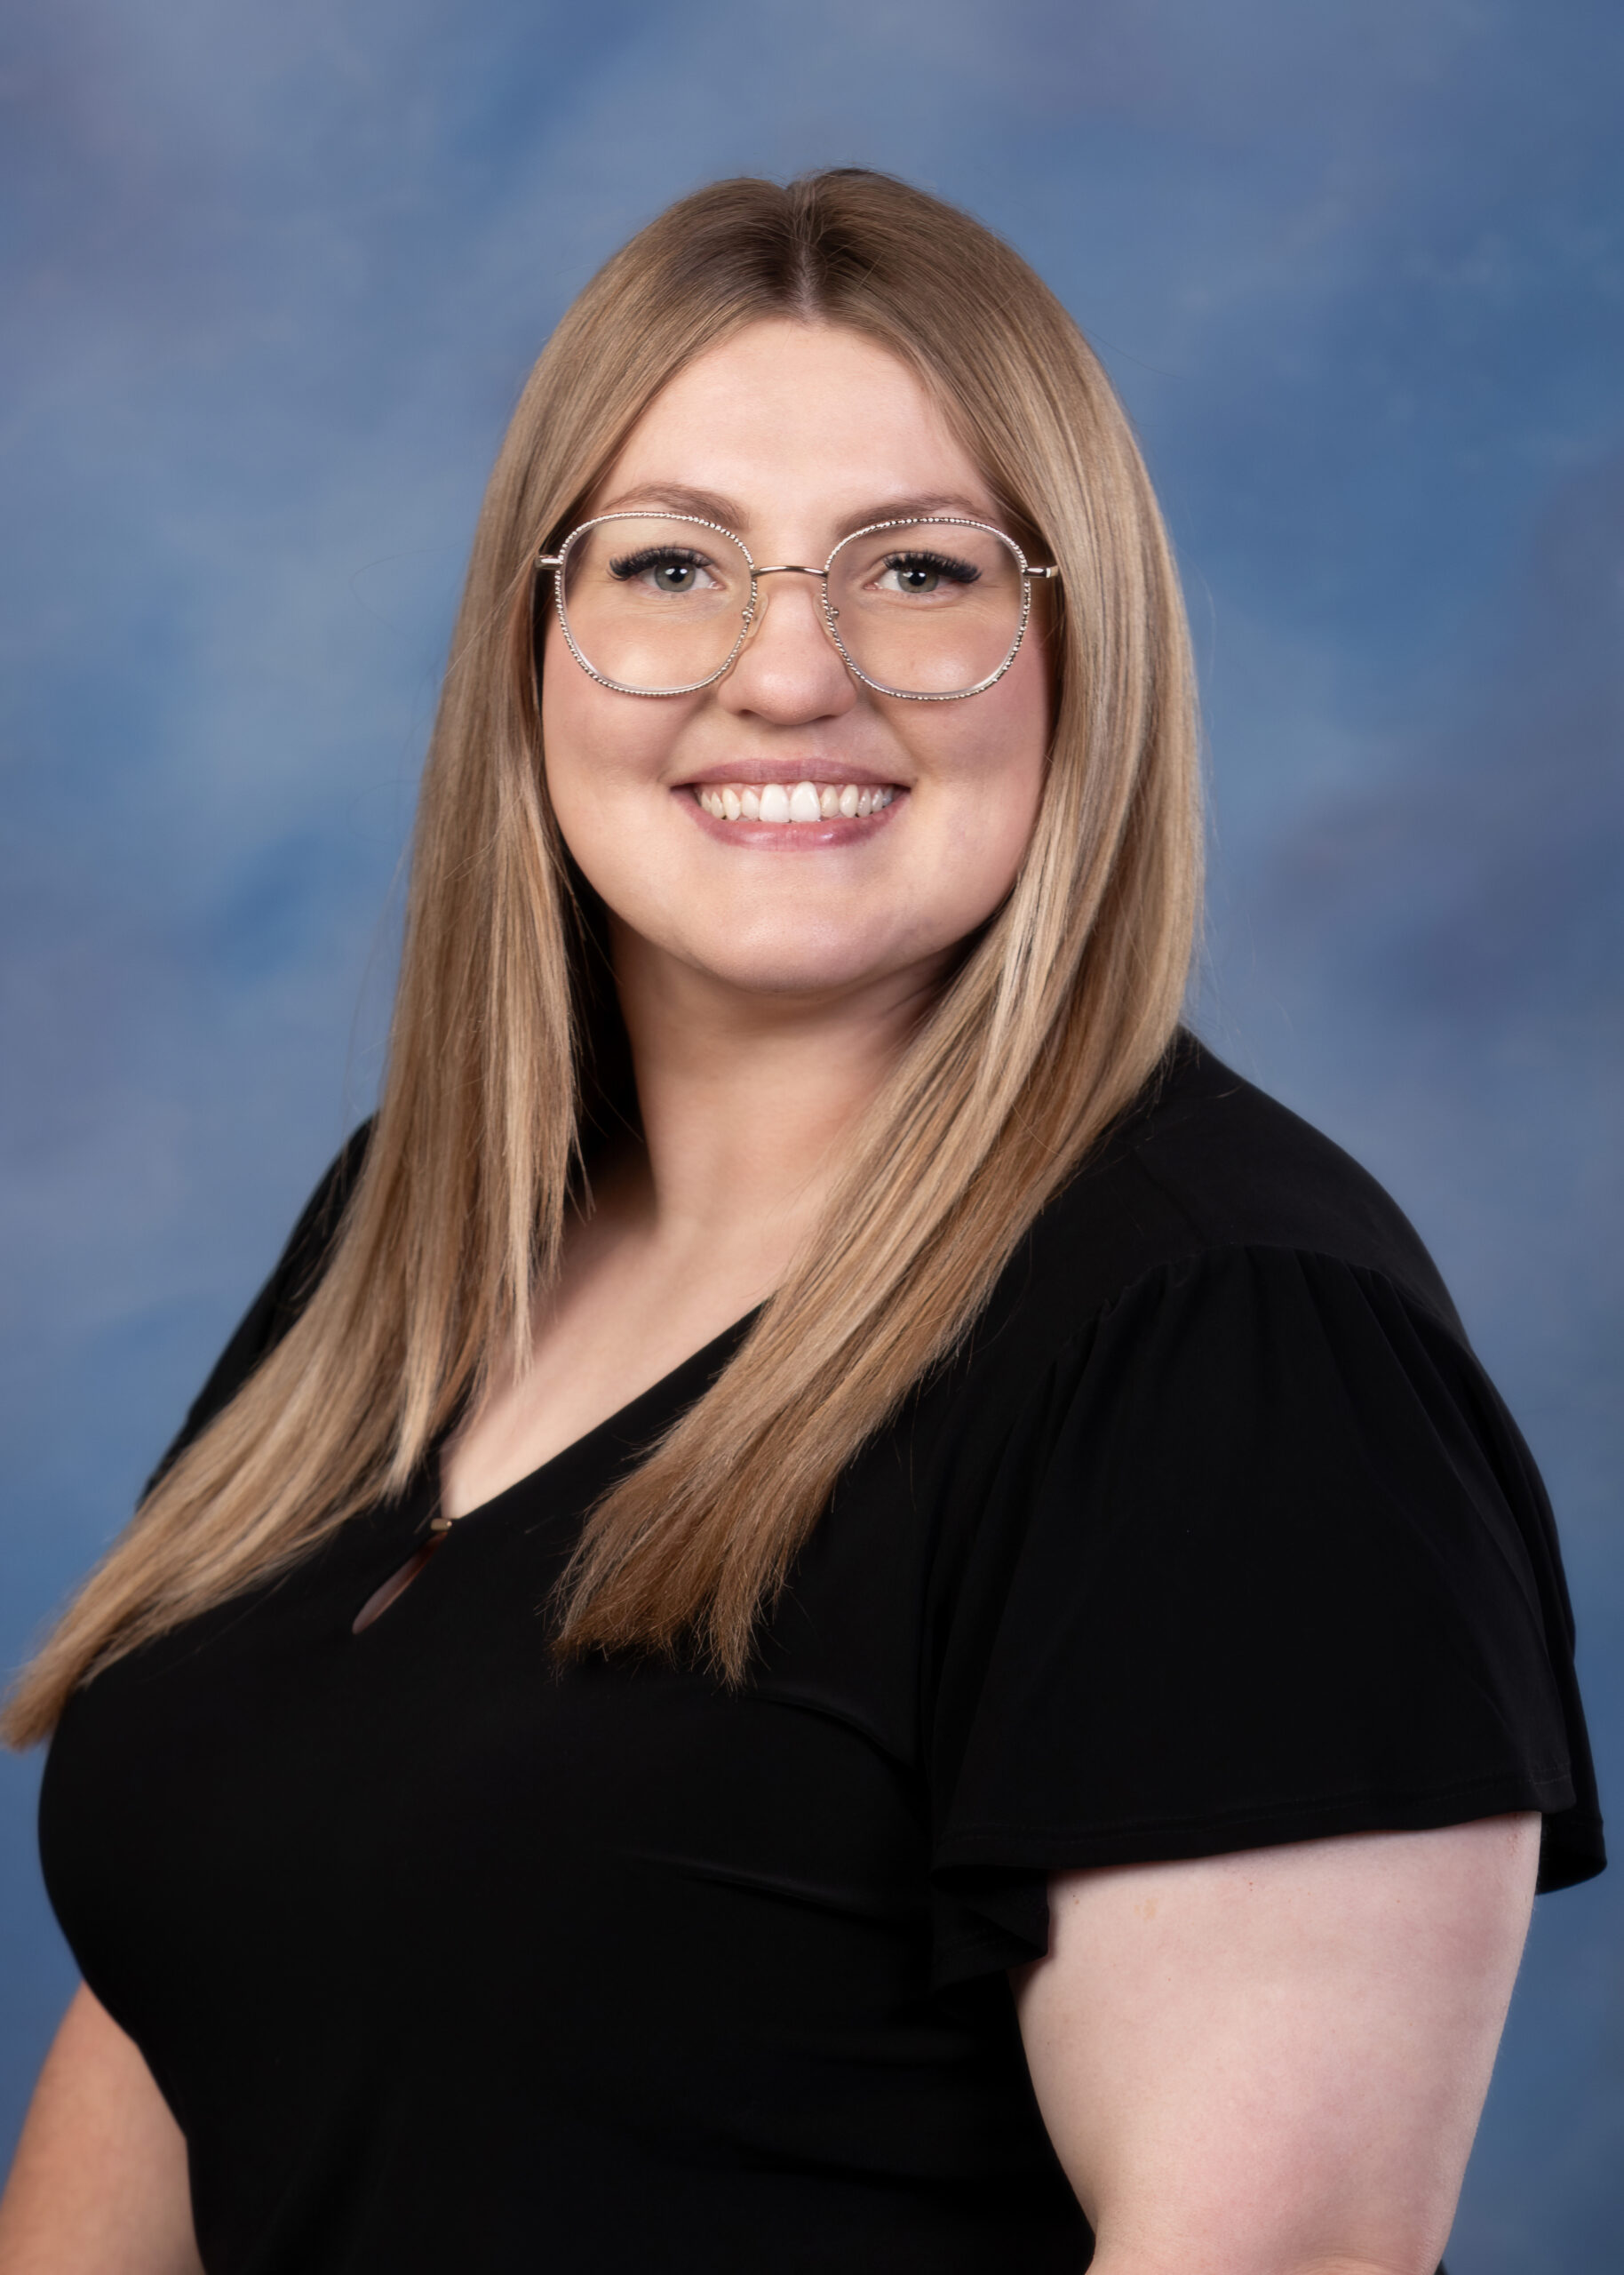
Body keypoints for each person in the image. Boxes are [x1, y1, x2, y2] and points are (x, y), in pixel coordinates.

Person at [0, 169, 1602, 2275]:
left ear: (1074, 647)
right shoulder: (428, 1224)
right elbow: (198, 1984)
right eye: (671, 563)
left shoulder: (1230, 1354)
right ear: (532, 643)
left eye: (916, 571)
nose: (785, 675)